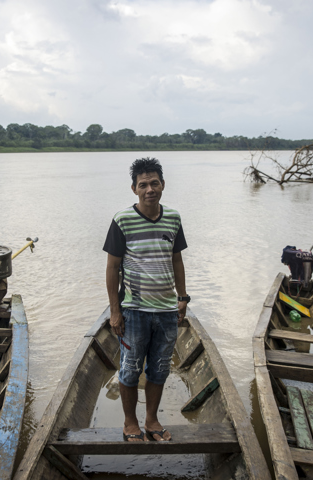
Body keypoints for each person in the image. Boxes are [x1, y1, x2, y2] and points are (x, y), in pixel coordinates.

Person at [103, 157, 189, 442]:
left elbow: (176, 260)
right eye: (143, 185)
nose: (149, 189)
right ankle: (130, 423)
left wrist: (183, 297)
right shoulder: (122, 220)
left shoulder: (173, 218)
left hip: (166, 311)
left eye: (154, 183)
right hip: (134, 311)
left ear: (162, 185)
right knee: (129, 369)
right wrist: (115, 312)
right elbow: (112, 268)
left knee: (160, 368)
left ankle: (151, 420)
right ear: (134, 189)